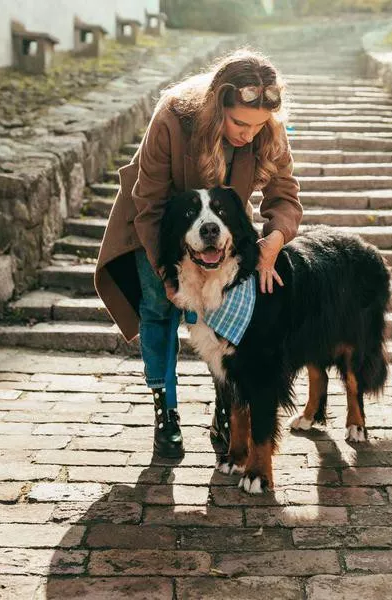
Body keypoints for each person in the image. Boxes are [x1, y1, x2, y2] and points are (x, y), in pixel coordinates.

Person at [94, 49, 302, 458]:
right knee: (158, 308)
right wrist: (168, 276)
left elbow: (284, 194)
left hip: (218, 230)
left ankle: (226, 406)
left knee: (226, 316)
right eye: (239, 123)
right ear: (217, 104)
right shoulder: (174, 115)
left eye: (258, 125)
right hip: (156, 225)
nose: (247, 134)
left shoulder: (264, 130)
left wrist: (274, 242)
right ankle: (165, 410)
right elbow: (149, 204)